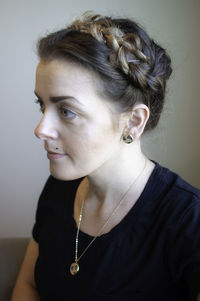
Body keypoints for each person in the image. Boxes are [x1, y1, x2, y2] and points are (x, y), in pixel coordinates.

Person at [12, 12, 200, 301]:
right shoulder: (58, 189)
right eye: (42, 104)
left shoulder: (188, 221)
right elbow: (28, 286)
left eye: (66, 111)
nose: (41, 129)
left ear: (133, 122)